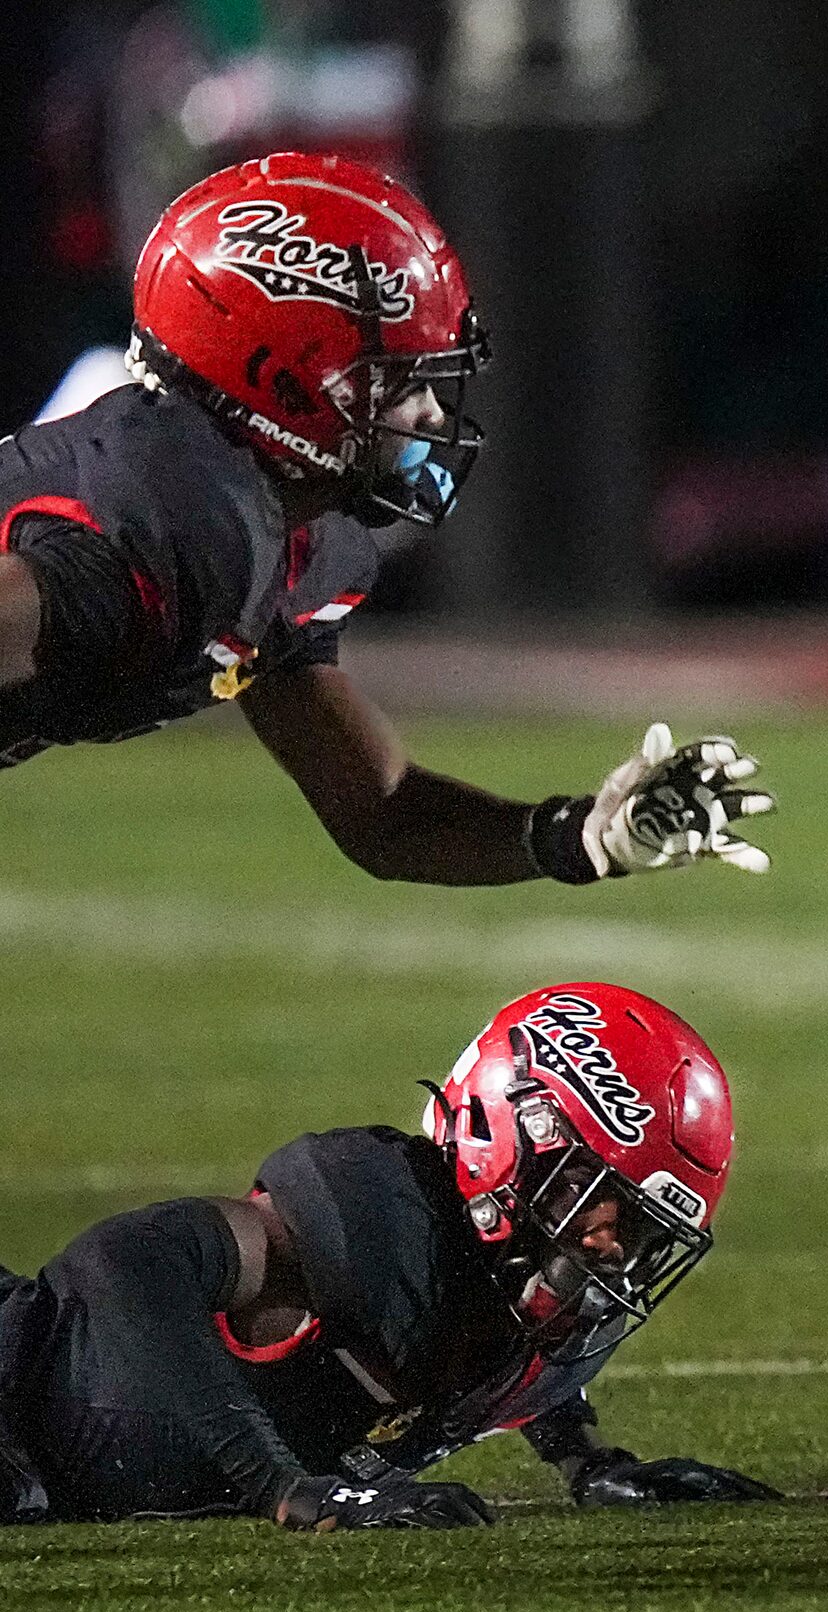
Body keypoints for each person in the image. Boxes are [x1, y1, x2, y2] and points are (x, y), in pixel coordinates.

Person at [0, 151, 771, 884]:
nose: (432, 414)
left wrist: (578, 836)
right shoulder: (176, 522)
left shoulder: (282, 532)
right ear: (285, 379)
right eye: (399, 381)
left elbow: (381, 811)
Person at [0, 982, 777, 1530]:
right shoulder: (377, 1227)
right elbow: (125, 1264)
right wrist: (283, 1486)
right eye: (593, 1193)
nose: (610, 1243)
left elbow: (499, 1362)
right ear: (511, 1132)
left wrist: (592, 1463)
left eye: (641, 1228)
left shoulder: (516, 1288)